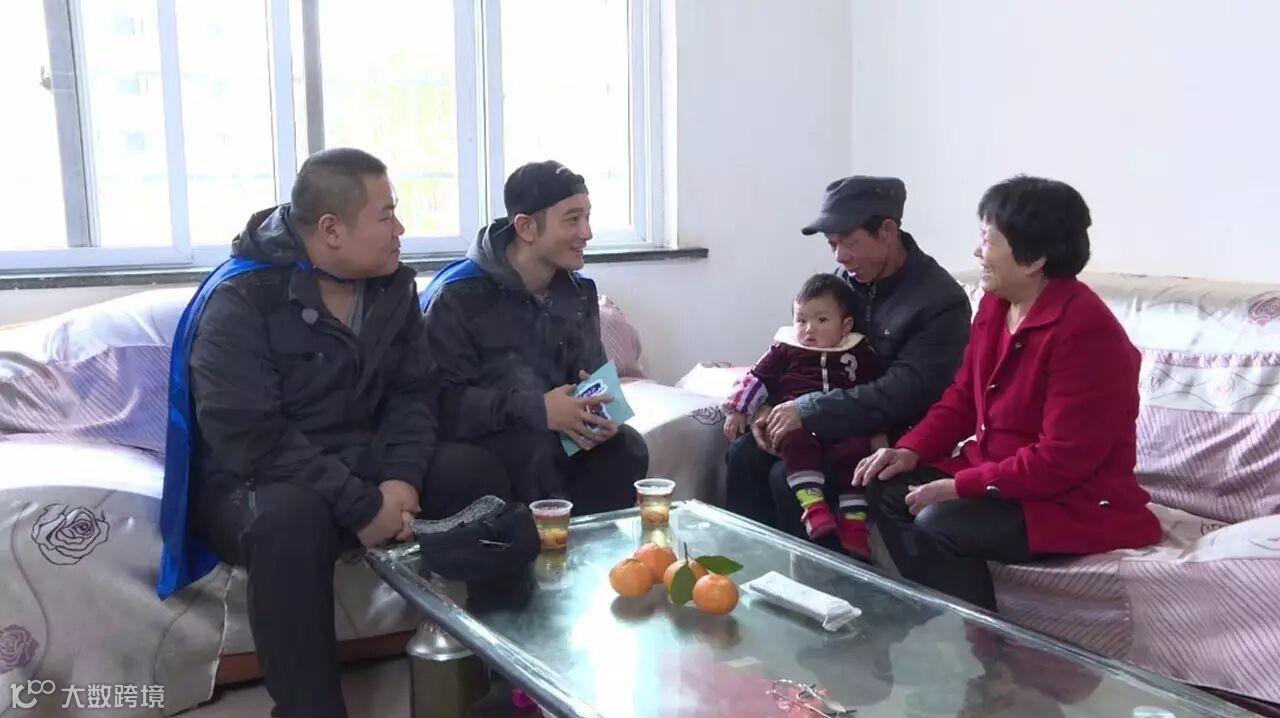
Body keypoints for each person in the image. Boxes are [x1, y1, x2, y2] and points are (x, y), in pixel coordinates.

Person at [158, 148, 456, 718]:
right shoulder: (242, 299)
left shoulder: (391, 289)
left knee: (472, 469)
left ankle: (499, 673)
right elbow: (251, 438)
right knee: (289, 521)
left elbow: (415, 392)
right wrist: (363, 505)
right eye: (387, 215)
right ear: (331, 229)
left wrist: (401, 480)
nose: (400, 229)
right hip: (257, 477)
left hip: (360, 460)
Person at [854, 175, 1161, 613]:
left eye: (987, 240)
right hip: (1002, 476)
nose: (977, 252)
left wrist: (961, 487)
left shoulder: (1087, 334)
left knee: (940, 521)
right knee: (885, 486)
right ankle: (931, 620)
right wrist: (910, 450)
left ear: (1034, 258)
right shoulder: (997, 305)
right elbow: (964, 396)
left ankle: (984, 645)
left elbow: (1060, 461)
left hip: (1071, 499)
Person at [725, 176, 970, 540]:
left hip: (886, 433)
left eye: (849, 242)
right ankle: (746, 566)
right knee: (744, 453)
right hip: (827, 417)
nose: (839, 257)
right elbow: (803, 352)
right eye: (832, 244)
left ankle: (820, 575)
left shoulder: (939, 302)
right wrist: (769, 407)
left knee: (785, 477)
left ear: (887, 231)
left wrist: (806, 410)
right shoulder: (846, 280)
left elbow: (904, 391)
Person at [420, 160, 647, 517]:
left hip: (552, 432)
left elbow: (596, 378)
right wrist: (539, 410)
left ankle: (592, 549)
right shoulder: (457, 295)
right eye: (572, 220)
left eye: (588, 217)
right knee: (533, 452)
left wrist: (602, 411)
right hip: (486, 439)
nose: (587, 232)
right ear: (526, 227)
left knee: (626, 447)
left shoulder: (579, 292)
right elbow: (443, 404)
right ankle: (534, 551)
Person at [722, 273, 885, 557]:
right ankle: (745, 552)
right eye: (801, 321)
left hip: (843, 423)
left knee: (852, 453)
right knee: (743, 454)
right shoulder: (787, 349)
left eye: (821, 321)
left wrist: (878, 432)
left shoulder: (858, 352)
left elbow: (877, 391)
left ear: (846, 325)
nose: (809, 329)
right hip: (792, 427)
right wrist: (739, 409)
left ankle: (851, 526)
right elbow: (757, 377)